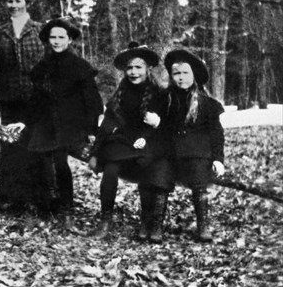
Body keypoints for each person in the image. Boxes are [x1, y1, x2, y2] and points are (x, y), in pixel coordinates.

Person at [25, 18, 103, 226]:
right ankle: (44, 208)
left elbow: (93, 101)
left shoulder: (80, 67)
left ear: (69, 40)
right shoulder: (42, 67)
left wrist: (91, 129)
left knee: (60, 162)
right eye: (53, 37)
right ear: (47, 40)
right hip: (44, 122)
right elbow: (35, 100)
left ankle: (67, 211)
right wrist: (27, 123)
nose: (57, 41)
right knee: (39, 160)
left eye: (61, 37)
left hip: (70, 123)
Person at [88, 42, 163, 237]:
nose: (133, 72)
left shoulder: (159, 94)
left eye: (138, 67)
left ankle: (147, 222)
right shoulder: (120, 94)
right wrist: (95, 153)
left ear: (148, 69)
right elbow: (107, 124)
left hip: (146, 144)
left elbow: (164, 126)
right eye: (129, 68)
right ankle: (105, 220)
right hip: (122, 144)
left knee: (147, 168)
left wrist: (150, 132)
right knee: (111, 171)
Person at [154, 49, 225, 243]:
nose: (180, 78)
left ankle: (203, 226)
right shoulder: (164, 100)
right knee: (160, 180)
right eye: (176, 73)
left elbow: (216, 133)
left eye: (185, 73)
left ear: (193, 75)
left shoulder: (207, 104)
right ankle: (156, 226)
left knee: (199, 183)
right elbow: (158, 128)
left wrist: (218, 159)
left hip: (196, 152)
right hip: (169, 151)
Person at [0, 0, 46, 214]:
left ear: (27, 3)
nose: (13, 5)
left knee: (33, 146)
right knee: (10, 146)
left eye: (18, 1)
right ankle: (9, 198)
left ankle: (36, 199)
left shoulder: (40, 30)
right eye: (10, 1)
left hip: (34, 100)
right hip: (8, 99)